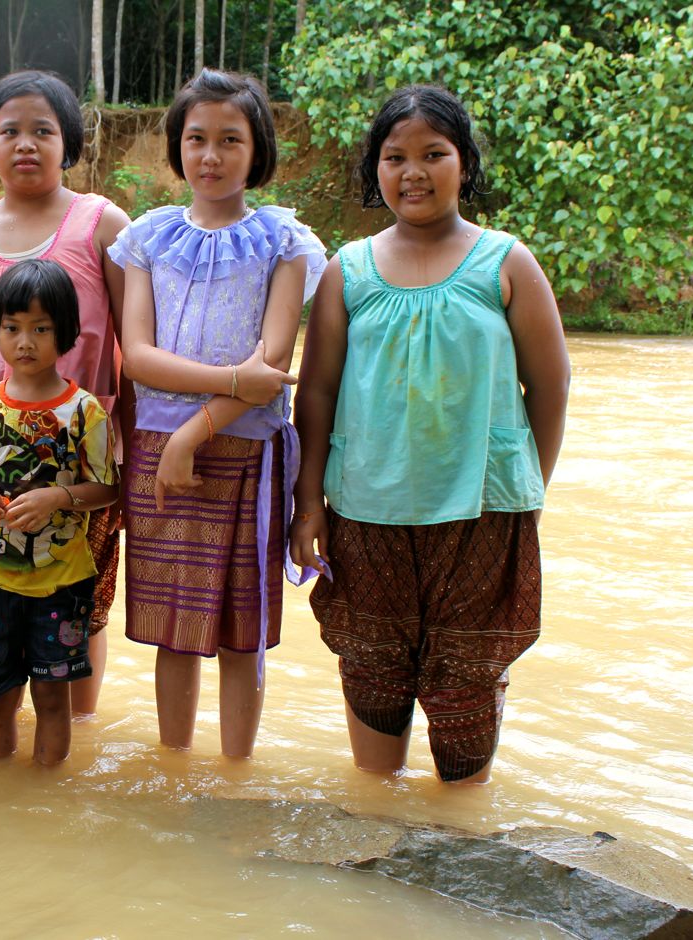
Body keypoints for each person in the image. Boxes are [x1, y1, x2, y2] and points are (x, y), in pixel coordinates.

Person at [291, 84, 570, 784]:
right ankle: (377, 830)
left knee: (466, 687)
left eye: (433, 154)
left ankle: (461, 837)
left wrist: (528, 484)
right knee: (374, 674)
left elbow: (553, 382)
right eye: (395, 157)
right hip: (365, 509)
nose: (413, 171)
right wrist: (308, 506)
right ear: (374, 170)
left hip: (483, 510)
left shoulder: (506, 262)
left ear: (464, 164)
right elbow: (317, 393)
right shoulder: (345, 271)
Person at [109, 69, 327, 758]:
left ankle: (236, 772)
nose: (211, 155)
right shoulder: (147, 238)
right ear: (177, 147)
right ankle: (175, 769)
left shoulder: (286, 243)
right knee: (172, 630)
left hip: (245, 453)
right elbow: (138, 356)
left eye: (230, 139)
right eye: (197, 138)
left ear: (257, 149)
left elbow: (275, 367)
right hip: (154, 447)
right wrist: (218, 393)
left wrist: (196, 429)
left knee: (241, 631)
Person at [0, 70, 131, 719]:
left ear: (68, 142)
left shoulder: (103, 225)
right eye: (9, 130)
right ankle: (5, 745)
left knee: (80, 607)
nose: (25, 143)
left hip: (81, 463)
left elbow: (134, 347)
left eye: (43, 130)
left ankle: (77, 738)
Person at [0, 259, 119, 765]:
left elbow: (107, 488)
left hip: (61, 580)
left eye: (41, 329)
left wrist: (59, 497)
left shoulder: (86, 411)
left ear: (66, 334)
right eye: (13, 328)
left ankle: (49, 799)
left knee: (52, 699)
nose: (25, 341)